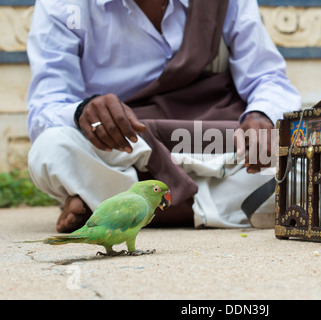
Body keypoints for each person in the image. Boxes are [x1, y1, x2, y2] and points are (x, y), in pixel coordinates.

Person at [26, 0, 302, 233]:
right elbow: (47, 104)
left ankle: (111, 207)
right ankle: (191, 208)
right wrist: (83, 111)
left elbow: (266, 76)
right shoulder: (64, 6)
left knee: (300, 164)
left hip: (211, 136)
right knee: (51, 149)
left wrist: (259, 117)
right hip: (125, 143)